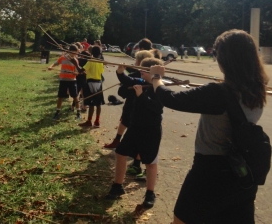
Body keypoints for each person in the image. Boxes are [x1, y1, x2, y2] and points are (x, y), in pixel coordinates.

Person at [150, 29, 269, 224]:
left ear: (225, 59)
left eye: (216, 54)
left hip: (209, 172)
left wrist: (156, 78)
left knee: (181, 220)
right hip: (243, 174)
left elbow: (170, 98)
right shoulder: (258, 90)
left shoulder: (217, 93)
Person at [105, 57, 164, 209]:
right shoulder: (141, 82)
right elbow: (126, 78)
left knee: (150, 162)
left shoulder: (160, 88)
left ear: (153, 73)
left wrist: (141, 96)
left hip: (151, 130)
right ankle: (117, 186)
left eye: (144, 71)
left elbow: (157, 108)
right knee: (121, 153)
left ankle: (150, 193)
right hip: (135, 127)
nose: (141, 73)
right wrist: (120, 70)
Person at [48, 44, 84, 120]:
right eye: (73, 52)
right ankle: (57, 112)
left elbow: (77, 72)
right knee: (60, 96)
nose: (74, 54)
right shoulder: (63, 58)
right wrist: (51, 66)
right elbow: (56, 63)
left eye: (75, 53)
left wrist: (76, 73)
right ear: (69, 51)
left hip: (72, 80)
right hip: (63, 80)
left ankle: (78, 112)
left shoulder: (75, 60)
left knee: (75, 97)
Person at [79, 45, 105, 128]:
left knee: (91, 104)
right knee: (98, 103)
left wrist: (74, 62)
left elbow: (82, 70)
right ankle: (97, 121)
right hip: (99, 83)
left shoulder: (90, 61)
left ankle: (89, 121)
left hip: (90, 83)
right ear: (99, 53)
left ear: (91, 53)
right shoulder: (100, 62)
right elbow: (101, 72)